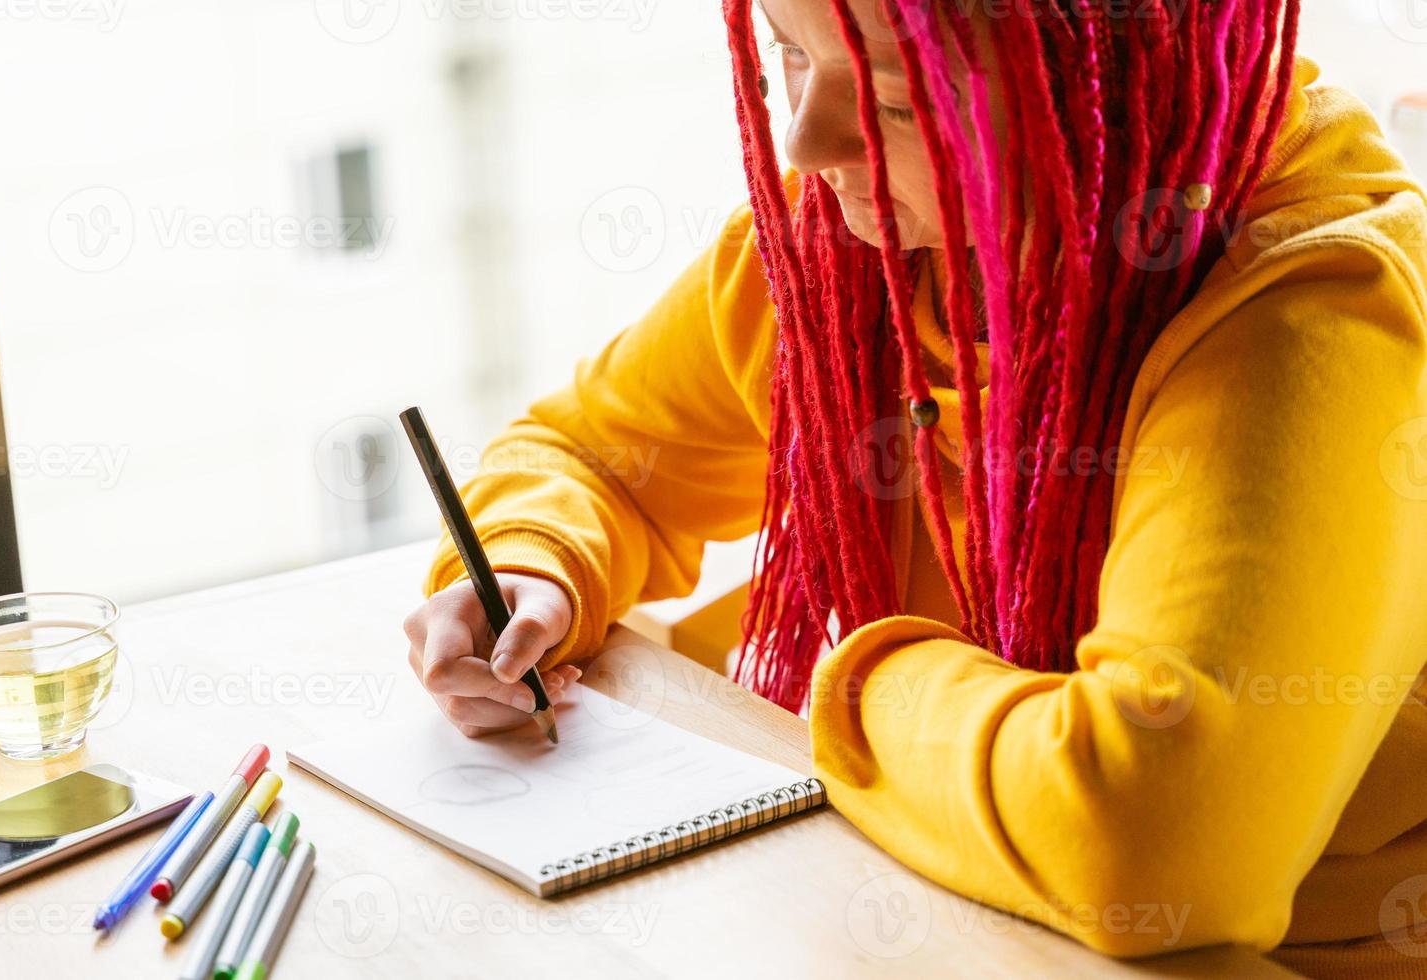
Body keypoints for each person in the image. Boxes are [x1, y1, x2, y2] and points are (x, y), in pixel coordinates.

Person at [402, 1, 1427, 974]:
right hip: (944, 912)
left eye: (896, 99)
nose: (804, 142)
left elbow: (1153, 839)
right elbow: (592, 454)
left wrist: (851, 693)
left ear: (1110, 82)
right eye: (788, 51)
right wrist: (536, 566)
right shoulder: (842, 251)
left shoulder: (1315, 312)